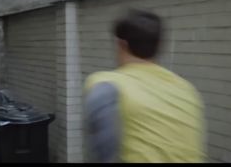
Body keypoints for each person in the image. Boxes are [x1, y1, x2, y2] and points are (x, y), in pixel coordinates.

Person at [84, 9, 207, 163]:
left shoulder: (107, 84)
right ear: (159, 45)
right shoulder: (187, 89)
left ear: (121, 44)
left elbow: (103, 149)